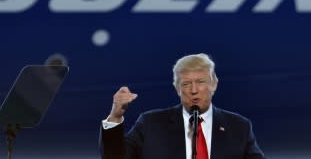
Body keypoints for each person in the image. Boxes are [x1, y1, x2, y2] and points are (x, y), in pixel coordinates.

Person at [99, 53, 265, 159]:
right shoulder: (151, 124)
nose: (194, 90)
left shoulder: (239, 127)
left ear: (214, 84)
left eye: (200, 82)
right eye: (186, 84)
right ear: (177, 88)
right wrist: (115, 116)